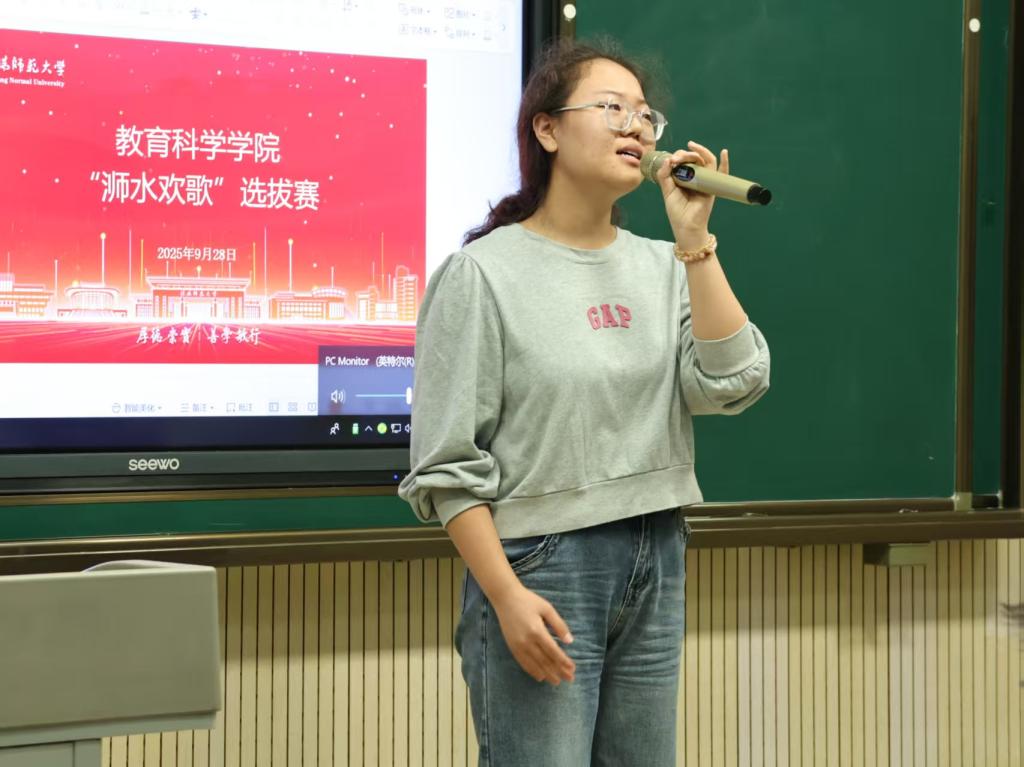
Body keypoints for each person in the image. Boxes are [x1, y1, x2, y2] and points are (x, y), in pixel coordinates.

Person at [398, 37, 771, 766]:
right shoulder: (481, 273)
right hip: (541, 563)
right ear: (547, 129)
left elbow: (734, 381)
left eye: (645, 115)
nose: (637, 128)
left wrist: (695, 242)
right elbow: (445, 466)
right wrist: (504, 595)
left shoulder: (665, 265)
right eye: (612, 109)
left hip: (656, 550)